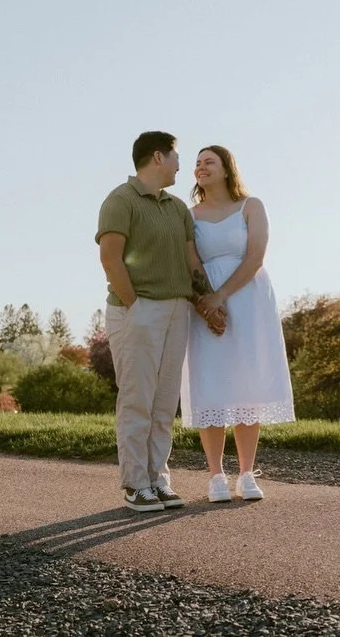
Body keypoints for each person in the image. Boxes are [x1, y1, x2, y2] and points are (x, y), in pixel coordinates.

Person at [96, 131, 225, 513]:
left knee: (165, 401)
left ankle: (158, 480)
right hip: (136, 310)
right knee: (138, 399)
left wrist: (207, 303)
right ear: (157, 157)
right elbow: (110, 259)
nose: (181, 165)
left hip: (177, 310)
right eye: (176, 157)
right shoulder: (120, 200)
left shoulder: (176, 208)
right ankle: (136, 484)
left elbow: (191, 262)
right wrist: (135, 305)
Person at [181, 145, 296, 502]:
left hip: (248, 297)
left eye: (208, 162)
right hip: (204, 299)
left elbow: (256, 255)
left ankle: (246, 473)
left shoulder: (251, 206)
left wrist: (223, 295)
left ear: (227, 169)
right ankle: (215, 475)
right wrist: (207, 302)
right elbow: (191, 260)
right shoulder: (190, 214)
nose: (201, 167)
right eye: (197, 163)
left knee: (247, 381)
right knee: (211, 381)